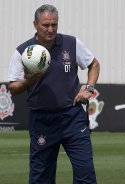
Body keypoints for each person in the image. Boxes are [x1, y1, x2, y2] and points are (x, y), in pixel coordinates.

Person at [8, 4, 99, 184]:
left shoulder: (72, 44)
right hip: (42, 120)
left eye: (54, 25)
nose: (50, 29)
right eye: (45, 25)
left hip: (72, 117)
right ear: (35, 25)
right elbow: (13, 88)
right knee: (41, 177)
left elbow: (94, 65)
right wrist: (31, 79)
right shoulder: (23, 52)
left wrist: (88, 88)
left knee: (86, 174)